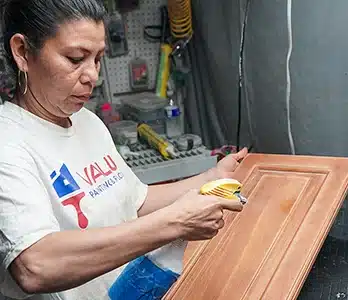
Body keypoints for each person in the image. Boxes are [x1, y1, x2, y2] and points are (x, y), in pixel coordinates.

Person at [0, 0, 248, 299]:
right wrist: (175, 223)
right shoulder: (9, 141)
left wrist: (210, 177)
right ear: (22, 52)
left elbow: (133, 201)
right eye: (75, 58)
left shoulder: (87, 122)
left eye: (97, 58)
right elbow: (35, 266)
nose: (92, 74)